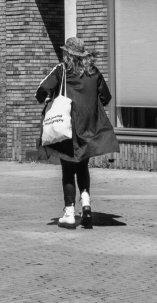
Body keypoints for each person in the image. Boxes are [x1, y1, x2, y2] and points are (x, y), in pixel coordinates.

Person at [35, 37, 119, 229]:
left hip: (67, 128)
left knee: (68, 170)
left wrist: (47, 97)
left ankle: (69, 213)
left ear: (67, 54)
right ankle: (86, 202)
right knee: (82, 166)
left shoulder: (61, 70)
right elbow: (106, 97)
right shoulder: (93, 72)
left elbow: (41, 91)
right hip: (88, 127)